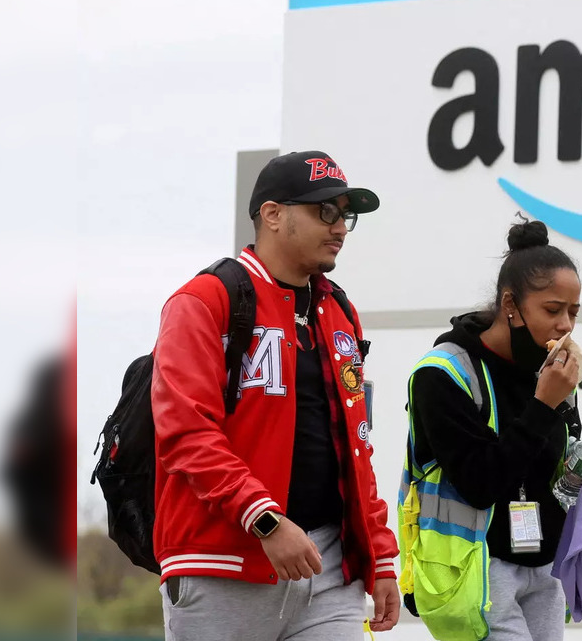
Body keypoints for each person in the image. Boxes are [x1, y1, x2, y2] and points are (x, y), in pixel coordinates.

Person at [151, 150, 400, 640]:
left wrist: (380, 554)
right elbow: (185, 431)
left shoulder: (339, 312)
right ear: (272, 213)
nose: (341, 227)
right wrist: (265, 521)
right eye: (324, 210)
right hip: (222, 564)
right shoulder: (203, 301)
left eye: (346, 214)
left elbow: (357, 445)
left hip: (328, 568)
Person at [404, 218, 582, 641]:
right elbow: (480, 481)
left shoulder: (551, 371)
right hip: (475, 570)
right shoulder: (443, 373)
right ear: (510, 304)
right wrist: (543, 404)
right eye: (553, 310)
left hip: (544, 570)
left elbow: (550, 466)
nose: (566, 326)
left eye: (574, 312)